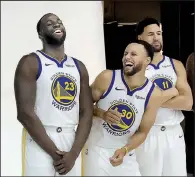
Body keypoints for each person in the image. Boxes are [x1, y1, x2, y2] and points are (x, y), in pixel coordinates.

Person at [82, 40, 179, 176]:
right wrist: (101, 113)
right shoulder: (107, 77)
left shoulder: (153, 93)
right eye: (125, 53)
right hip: (96, 150)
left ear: (147, 61)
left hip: (124, 153)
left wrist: (125, 150)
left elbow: (142, 132)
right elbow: (81, 106)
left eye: (133, 54)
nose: (127, 57)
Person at [14, 13, 93, 176]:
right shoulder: (30, 62)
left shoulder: (79, 67)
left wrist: (74, 154)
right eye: (49, 23)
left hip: (71, 140)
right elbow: (25, 114)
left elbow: (87, 112)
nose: (57, 25)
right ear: (40, 34)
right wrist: (55, 153)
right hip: (40, 139)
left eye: (59, 22)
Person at [135, 17, 193, 176]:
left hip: (173, 134)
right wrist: (169, 94)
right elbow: (137, 101)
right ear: (140, 38)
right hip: (147, 135)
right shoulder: (134, 66)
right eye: (151, 34)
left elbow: (187, 102)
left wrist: (153, 99)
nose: (156, 38)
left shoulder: (176, 64)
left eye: (159, 33)